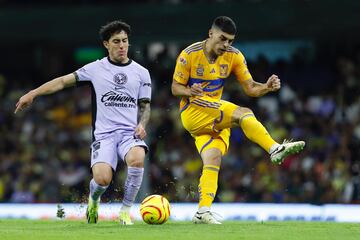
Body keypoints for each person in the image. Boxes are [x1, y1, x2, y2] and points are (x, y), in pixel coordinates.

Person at [15, 20, 152, 225]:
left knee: (138, 158)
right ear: (106, 44)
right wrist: (33, 93)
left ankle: (125, 212)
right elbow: (62, 82)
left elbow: (145, 106)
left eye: (125, 41)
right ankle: (94, 199)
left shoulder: (141, 72)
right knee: (103, 179)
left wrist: (142, 124)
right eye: (116, 41)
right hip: (104, 135)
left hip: (128, 134)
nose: (122, 45)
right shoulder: (95, 68)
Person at [171, 16, 305, 224]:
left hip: (212, 117)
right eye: (222, 39)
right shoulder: (189, 54)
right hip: (193, 110)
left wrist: (266, 87)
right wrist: (189, 90)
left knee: (213, 159)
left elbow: (251, 87)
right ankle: (274, 148)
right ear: (210, 34)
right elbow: (175, 88)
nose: (226, 45)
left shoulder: (234, 56)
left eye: (230, 41)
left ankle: (202, 211)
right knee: (243, 113)